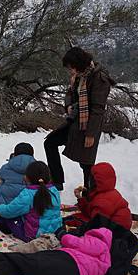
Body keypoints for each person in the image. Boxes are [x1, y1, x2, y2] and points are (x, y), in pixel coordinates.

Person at [44, 47, 113, 191]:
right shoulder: (80, 76)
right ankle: (57, 181)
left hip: (89, 125)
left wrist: (90, 134)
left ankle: (89, 194)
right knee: (50, 142)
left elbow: (97, 109)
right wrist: (68, 105)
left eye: (71, 67)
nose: (70, 71)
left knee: (86, 161)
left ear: (79, 64)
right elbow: (70, 93)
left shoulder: (100, 78)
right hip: (74, 121)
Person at [0, 161, 62, 242]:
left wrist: (0, 207)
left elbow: (9, 211)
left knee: (5, 216)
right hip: (55, 232)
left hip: (34, 236)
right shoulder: (54, 190)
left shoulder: (28, 194)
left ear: (27, 177)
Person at [68, 162, 132, 230]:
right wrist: (80, 198)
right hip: (116, 227)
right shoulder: (110, 192)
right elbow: (91, 211)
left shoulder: (102, 201)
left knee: (73, 219)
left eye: (90, 179)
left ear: (94, 182)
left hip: (115, 232)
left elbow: (96, 225)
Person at [0, 143, 36, 210]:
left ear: (15, 154)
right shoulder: (37, 167)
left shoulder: (7, 166)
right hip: (29, 206)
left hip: (5, 206)